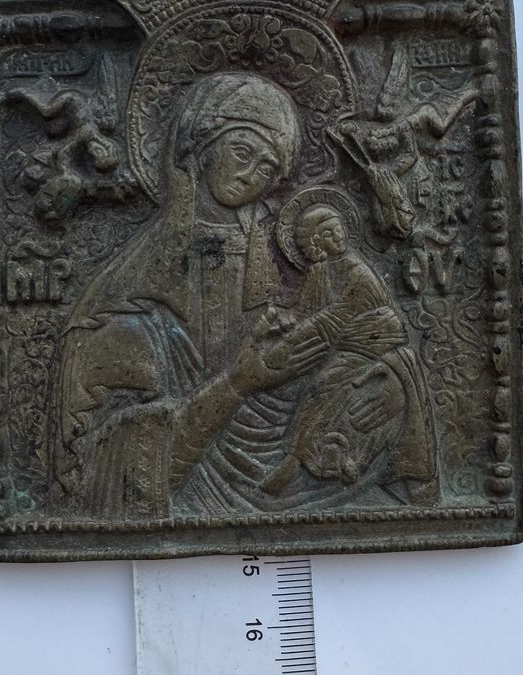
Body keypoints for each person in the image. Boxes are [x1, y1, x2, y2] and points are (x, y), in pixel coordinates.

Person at [52, 72, 327, 520]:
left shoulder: (283, 272)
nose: (249, 175)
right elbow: (109, 457)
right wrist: (236, 385)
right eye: (242, 152)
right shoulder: (131, 306)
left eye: (266, 169)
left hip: (288, 489)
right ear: (199, 147)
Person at [262, 202, 439, 504]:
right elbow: (307, 312)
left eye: (339, 230)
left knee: (327, 388)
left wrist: (289, 342)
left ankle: (303, 462)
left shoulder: (358, 271)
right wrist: (284, 320)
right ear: (316, 243)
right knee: (317, 389)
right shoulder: (321, 272)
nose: (338, 237)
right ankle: (309, 460)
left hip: (378, 347)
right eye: (328, 234)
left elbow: (333, 317)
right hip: (349, 347)